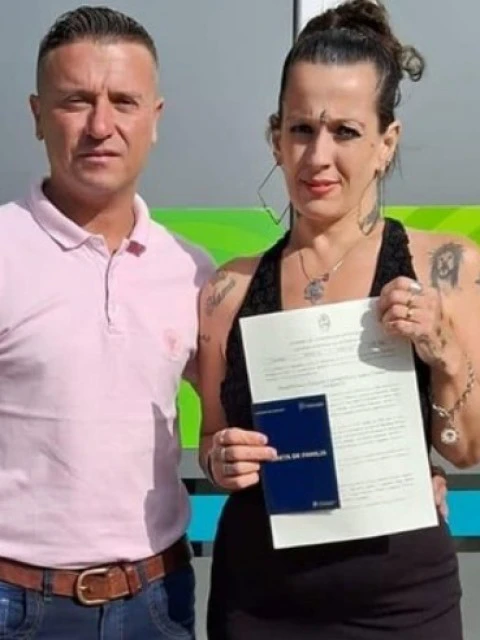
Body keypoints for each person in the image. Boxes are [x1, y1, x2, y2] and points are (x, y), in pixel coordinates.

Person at [198, 1, 480, 638]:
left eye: (346, 132)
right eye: (302, 129)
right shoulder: (228, 289)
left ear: (387, 143)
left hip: (402, 607)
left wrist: (443, 346)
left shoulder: (447, 267)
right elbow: (214, 439)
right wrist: (220, 459)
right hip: (259, 604)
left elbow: (466, 450)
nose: (318, 157)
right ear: (276, 137)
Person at [0, 6, 213, 639]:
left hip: (159, 602)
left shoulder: (192, 271)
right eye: (76, 101)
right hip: (16, 606)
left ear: (155, 118)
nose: (101, 126)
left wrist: (394, 473)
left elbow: (250, 417)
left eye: (124, 101)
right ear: (37, 115)